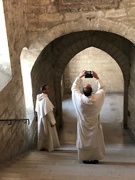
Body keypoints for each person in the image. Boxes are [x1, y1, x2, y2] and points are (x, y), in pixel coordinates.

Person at [71, 70, 106, 164]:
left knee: (84, 140)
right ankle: (94, 157)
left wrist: (80, 77)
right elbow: (102, 89)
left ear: (83, 91)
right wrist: (97, 77)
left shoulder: (79, 99)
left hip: (83, 125)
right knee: (95, 140)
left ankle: (85, 158)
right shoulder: (97, 98)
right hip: (94, 124)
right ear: (92, 91)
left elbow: (74, 88)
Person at [35, 84, 60, 152]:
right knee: (48, 133)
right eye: (47, 89)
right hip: (46, 120)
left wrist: (37, 116)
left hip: (41, 118)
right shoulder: (45, 99)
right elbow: (48, 112)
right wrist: (52, 121)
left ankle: (41, 146)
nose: (48, 90)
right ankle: (49, 147)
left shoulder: (38, 97)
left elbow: (37, 109)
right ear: (43, 90)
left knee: (42, 133)